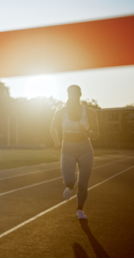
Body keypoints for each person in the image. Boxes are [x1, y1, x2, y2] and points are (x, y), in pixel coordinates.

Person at [50, 85, 99, 219]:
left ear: (80, 94)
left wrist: (87, 131)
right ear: (68, 95)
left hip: (85, 148)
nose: (73, 96)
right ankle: (70, 187)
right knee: (70, 181)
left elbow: (97, 134)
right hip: (68, 148)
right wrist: (56, 141)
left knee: (83, 183)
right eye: (70, 93)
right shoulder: (60, 112)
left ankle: (80, 209)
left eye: (76, 93)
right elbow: (52, 127)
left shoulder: (90, 112)